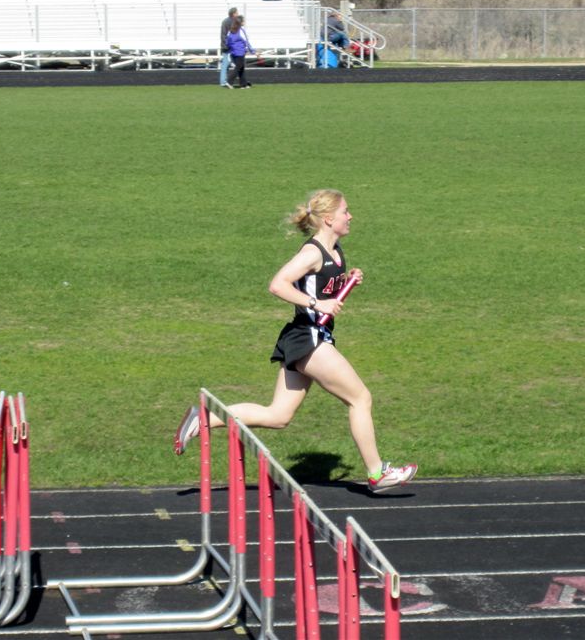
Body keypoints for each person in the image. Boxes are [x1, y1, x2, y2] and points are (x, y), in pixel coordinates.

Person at [174, 190, 418, 494]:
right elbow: (278, 285)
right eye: (345, 211)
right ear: (328, 219)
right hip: (309, 338)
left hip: (307, 337)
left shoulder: (335, 249)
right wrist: (317, 304)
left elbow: (320, 285)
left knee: (278, 416)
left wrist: (346, 281)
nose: (350, 216)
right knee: (360, 398)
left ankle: (202, 419)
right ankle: (377, 473)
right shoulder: (312, 253)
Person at [225, 15, 254, 89]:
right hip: (240, 52)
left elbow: (227, 42)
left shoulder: (230, 31)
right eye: (243, 21)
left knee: (241, 68)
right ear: (240, 22)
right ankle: (229, 81)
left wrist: (230, 49)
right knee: (238, 68)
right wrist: (253, 51)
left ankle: (243, 84)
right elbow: (246, 41)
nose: (244, 22)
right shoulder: (241, 31)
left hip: (233, 52)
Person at [219, 7, 237, 88]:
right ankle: (224, 81)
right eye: (237, 13)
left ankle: (224, 81)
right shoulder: (232, 22)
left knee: (225, 64)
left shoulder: (225, 21)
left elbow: (223, 35)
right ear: (234, 14)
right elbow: (226, 35)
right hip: (229, 46)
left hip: (226, 45)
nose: (238, 14)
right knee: (227, 64)